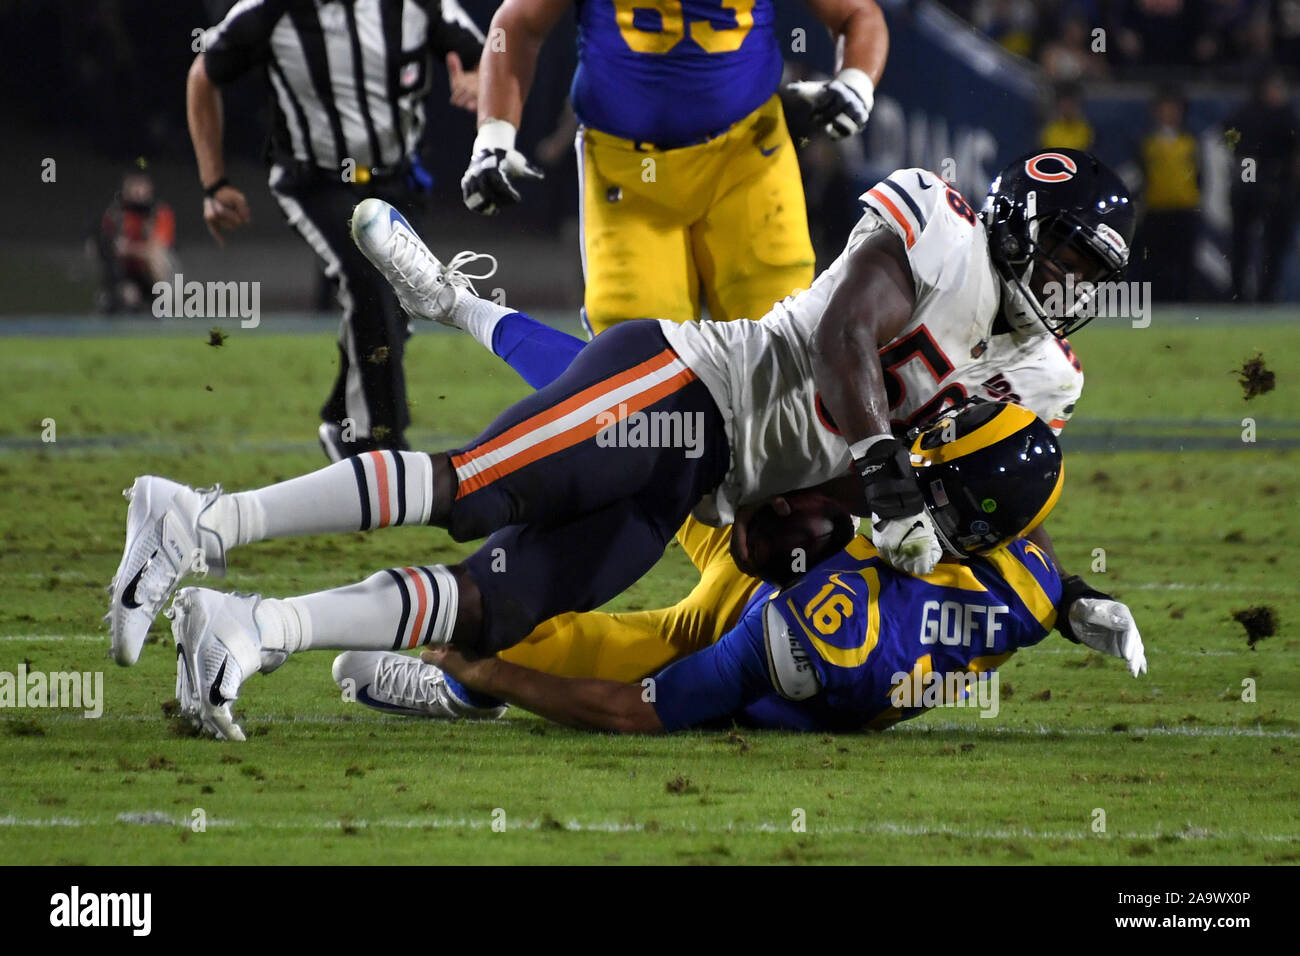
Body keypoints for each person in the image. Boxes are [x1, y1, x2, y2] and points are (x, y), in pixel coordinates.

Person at [105, 149, 1141, 744]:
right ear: (1014, 224)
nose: (1070, 288)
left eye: (1088, 274)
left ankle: (251, 625)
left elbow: (995, 475)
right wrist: (883, 476)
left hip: (716, 484)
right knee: (474, 489)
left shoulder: (1047, 367)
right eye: (1064, 256)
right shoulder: (943, 227)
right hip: (688, 385)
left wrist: (1063, 589)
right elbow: (842, 339)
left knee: (491, 603)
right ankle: (199, 516)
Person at [416, 404, 1146, 735]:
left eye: (933, 487)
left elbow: (633, 709)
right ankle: (496, 329)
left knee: (511, 645)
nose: (904, 486)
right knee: (662, 433)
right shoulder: (1025, 580)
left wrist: (495, 678)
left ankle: (446, 682)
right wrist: (1082, 603)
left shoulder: (824, 624)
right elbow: (1040, 577)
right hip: (824, 594)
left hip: (749, 648)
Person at [461, 0, 889, 336]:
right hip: (627, 172)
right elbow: (517, 25)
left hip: (745, 159)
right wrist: (494, 137)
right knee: (641, 366)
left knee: (783, 342)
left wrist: (856, 82)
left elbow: (856, 13)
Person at [186, 0, 487, 458]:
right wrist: (214, 182)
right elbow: (203, 74)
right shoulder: (269, 13)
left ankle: (341, 421)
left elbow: (489, 53)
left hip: (398, 179)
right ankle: (376, 445)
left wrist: (477, 78)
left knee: (395, 307)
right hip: (316, 182)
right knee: (370, 282)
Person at [1224, 67, 1299, 303]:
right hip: (1255, 183)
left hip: (1275, 185)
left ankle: (1264, 293)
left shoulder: (1286, 115)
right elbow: (1232, 145)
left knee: (1272, 245)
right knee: (1244, 244)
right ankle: (1241, 293)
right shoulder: (1248, 115)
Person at [1135, 87, 1201, 303]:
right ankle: (1158, 305)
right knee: (1156, 263)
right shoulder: (1147, 142)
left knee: (1184, 262)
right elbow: (1140, 175)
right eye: (1165, 108)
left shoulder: (1190, 141)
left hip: (1184, 210)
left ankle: (1185, 303)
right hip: (1156, 210)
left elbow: (1201, 175)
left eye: (1174, 108)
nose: (1169, 113)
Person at [92, 171, 177, 313]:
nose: (137, 192)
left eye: (141, 187)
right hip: (126, 273)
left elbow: (156, 249)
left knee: (157, 259)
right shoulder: (115, 215)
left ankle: (163, 305)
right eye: (133, 187)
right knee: (122, 295)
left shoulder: (160, 213)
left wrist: (129, 249)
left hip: (153, 275)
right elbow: (110, 248)